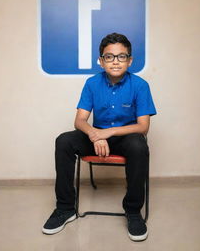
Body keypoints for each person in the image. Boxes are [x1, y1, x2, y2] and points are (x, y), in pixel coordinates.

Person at [42, 33, 156, 241]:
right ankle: (65, 208)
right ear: (101, 61)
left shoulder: (140, 85)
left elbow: (143, 127)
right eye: (109, 57)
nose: (115, 61)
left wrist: (108, 132)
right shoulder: (92, 83)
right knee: (64, 141)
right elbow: (80, 121)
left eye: (121, 56)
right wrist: (96, 135)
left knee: (139, 145)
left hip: (126, 138)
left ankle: (133, 211)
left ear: (130, 61)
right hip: (97, 139)